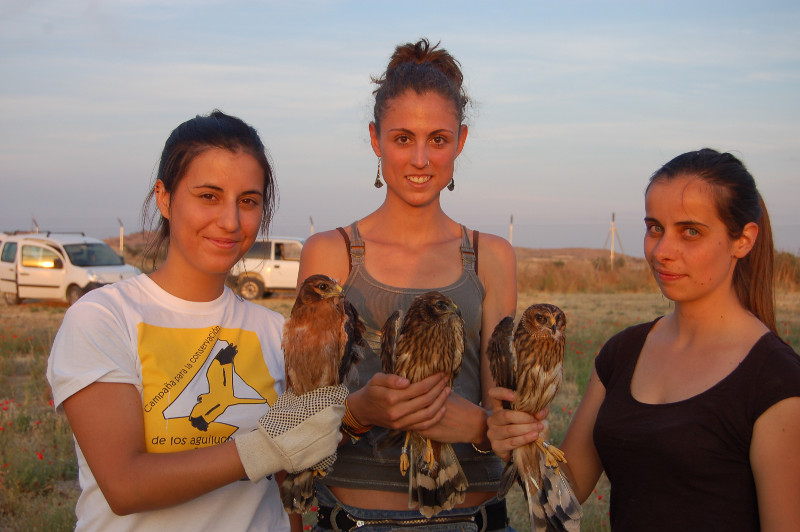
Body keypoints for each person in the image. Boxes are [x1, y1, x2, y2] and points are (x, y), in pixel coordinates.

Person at [46, 110, 345, 532]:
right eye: (209, 196)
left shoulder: (272, 331)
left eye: (248, 201)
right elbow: (125, 485)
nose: (230, 221)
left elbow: (285, 490)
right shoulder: (103, 318)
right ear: (165, 198)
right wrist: (265, 449)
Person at [487, 148, 800, 531]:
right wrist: (520, 443)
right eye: (655, 228)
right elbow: (567, 490)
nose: (662, 251)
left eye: (690, 231)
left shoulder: (776, 380)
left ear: (743, 240)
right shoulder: (623, 353)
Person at [297, 38, 535, 531]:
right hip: (353, 517)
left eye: (439, 140)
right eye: (403, 138)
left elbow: (503, 415)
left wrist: (482, 425)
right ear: (374, 138)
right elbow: (303, 417)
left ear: (461, 141)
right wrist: (361, 410)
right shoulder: (332, 253)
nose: (421, 159)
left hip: (473, 517)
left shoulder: (489, 256)